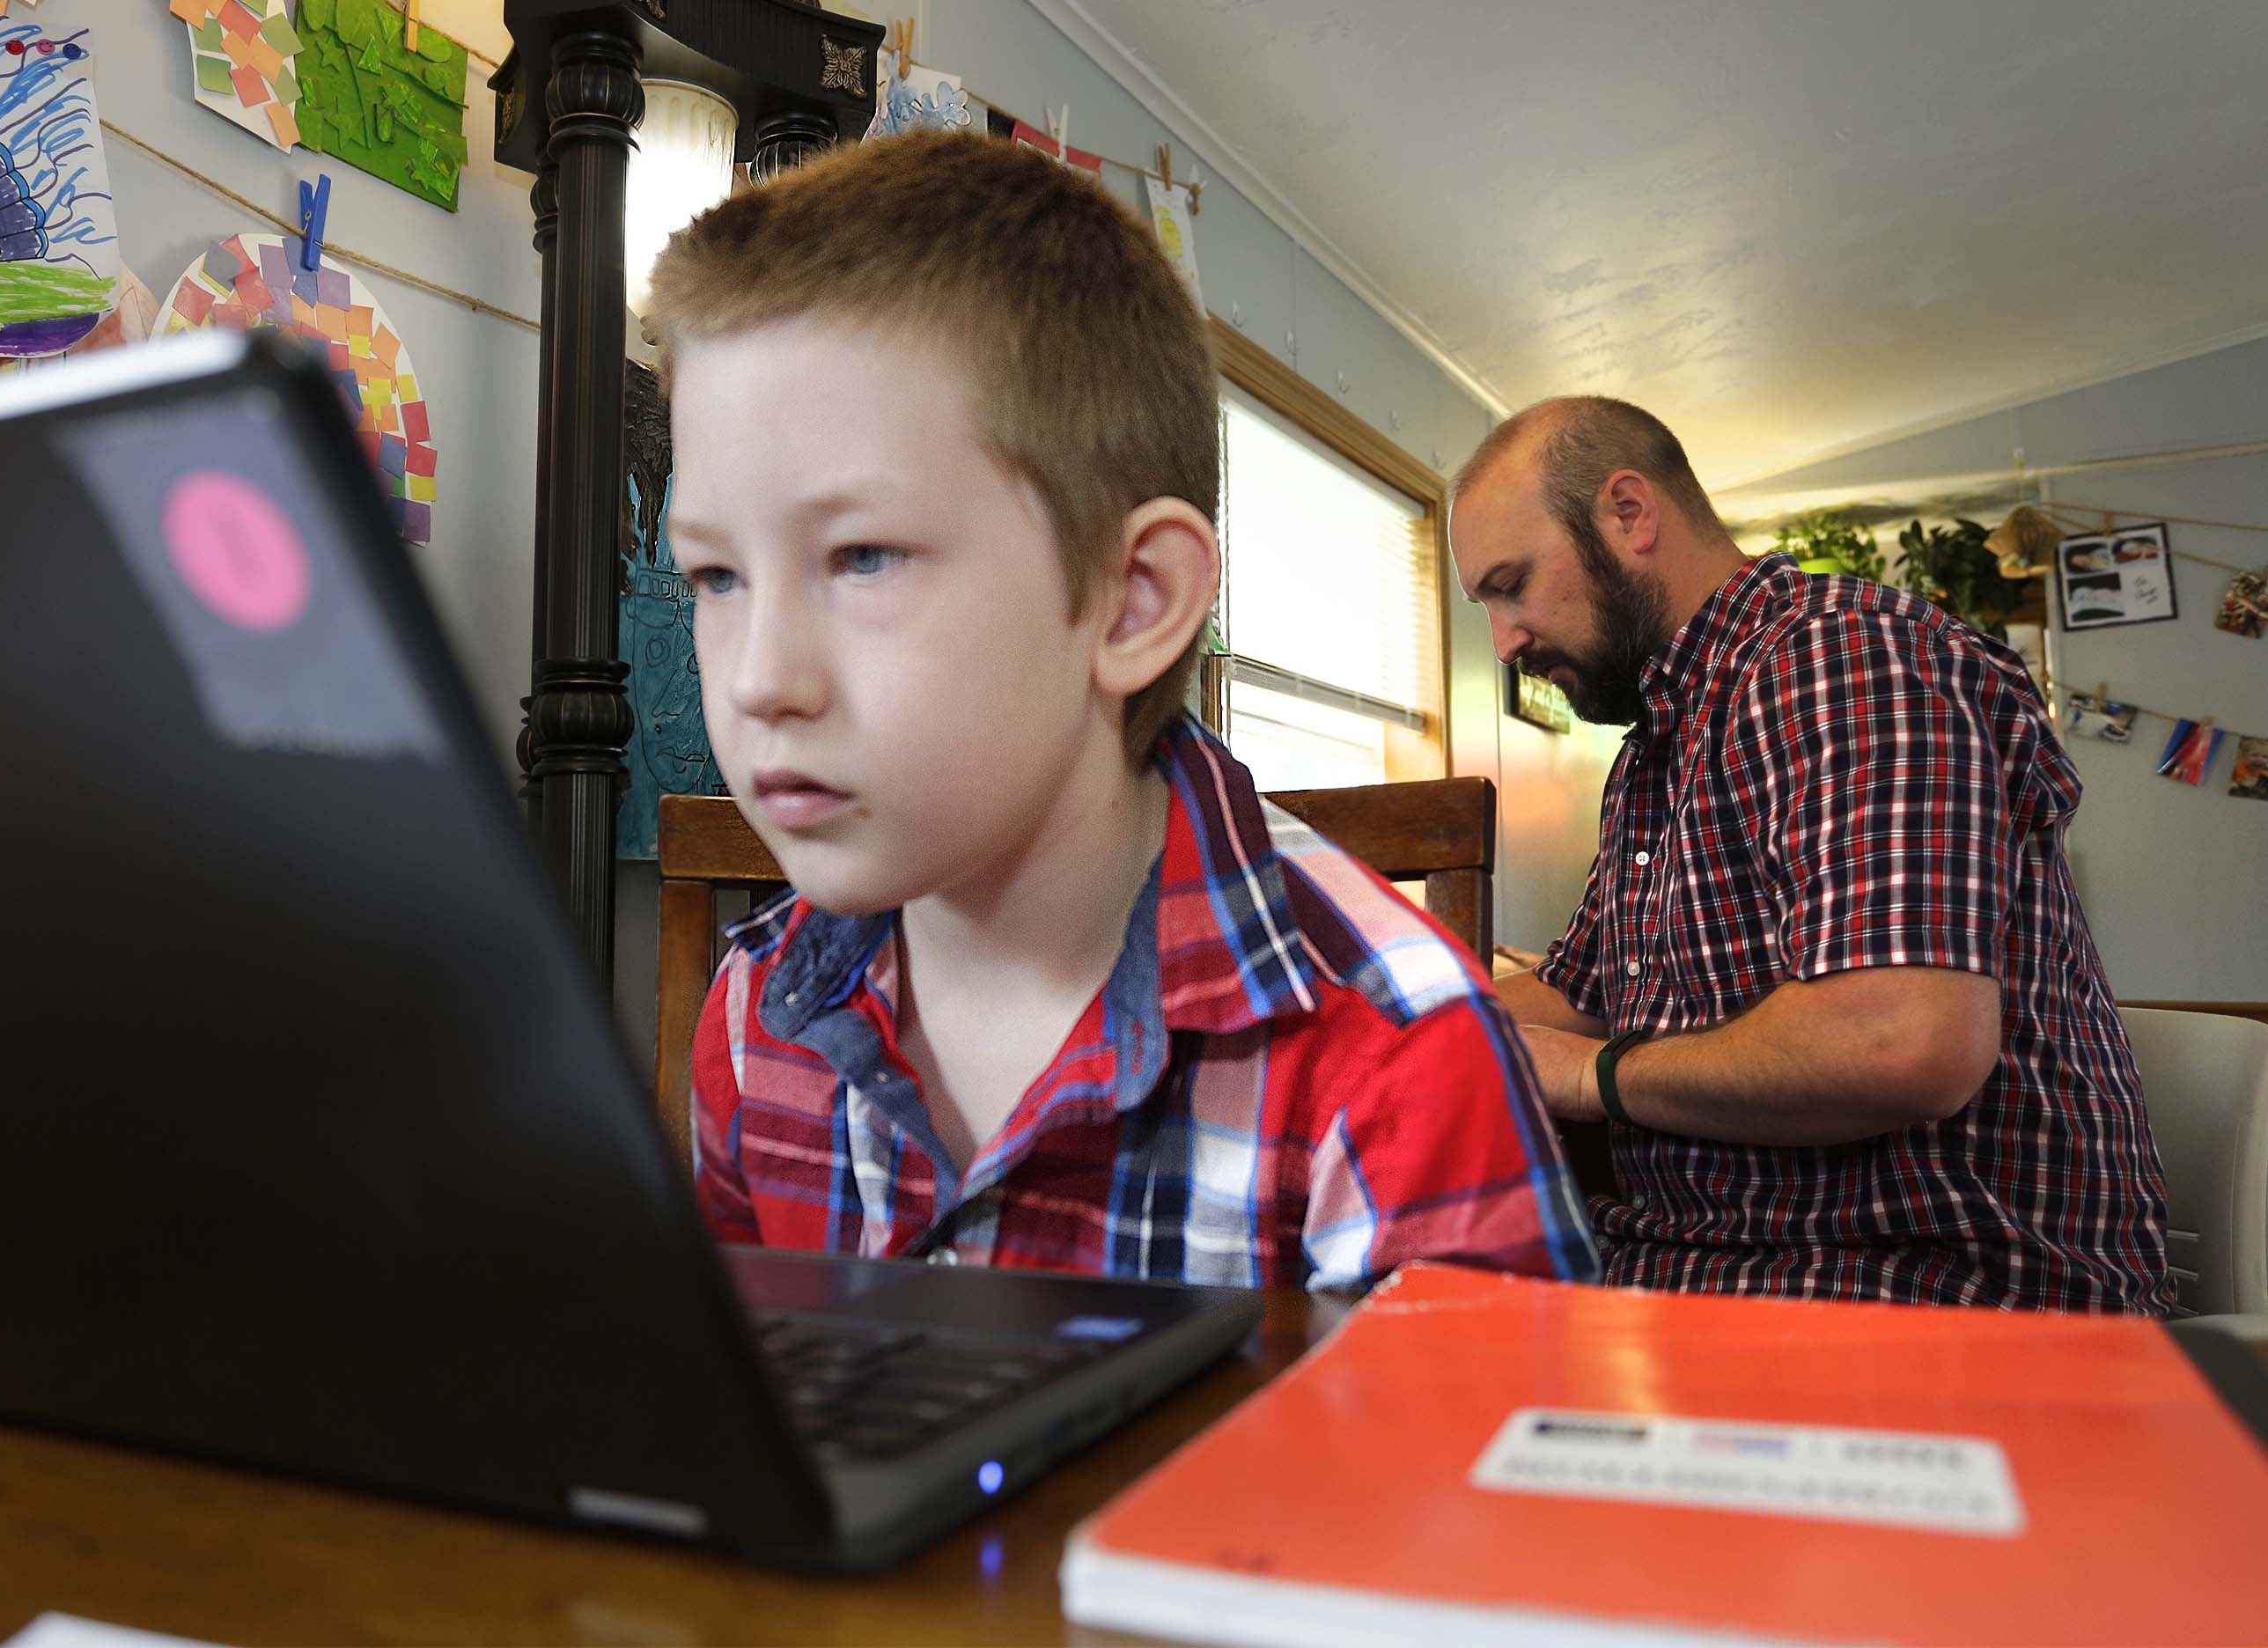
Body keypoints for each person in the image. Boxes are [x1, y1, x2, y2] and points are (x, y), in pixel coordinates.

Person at [644, 131, 1595, 1291]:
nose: (758, 678)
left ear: (1131, 600)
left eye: (863, 557)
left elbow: (1456, 1470)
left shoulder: (1397, 1056)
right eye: (717, 578)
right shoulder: (757, 1016)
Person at [1447, 395, 2172, 1312]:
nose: (1505, 642)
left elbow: (1900, 1042)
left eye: (1511, 584)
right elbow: (1583, 991)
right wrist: (1391, 1021)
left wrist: (1589, 1078)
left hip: (1923, 1295)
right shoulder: (1657, 747)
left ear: (1629, 514)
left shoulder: (1836, 659)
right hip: (1697, 1281)